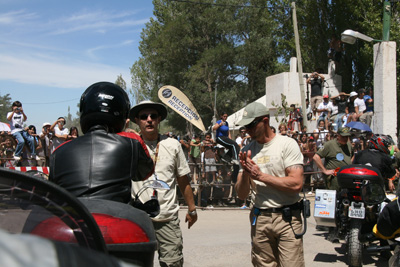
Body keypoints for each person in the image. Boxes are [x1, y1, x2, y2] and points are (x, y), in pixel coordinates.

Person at [49, 82, 154, 203]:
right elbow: (145, 172)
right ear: (122, 113)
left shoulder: (58, 152)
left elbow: (53, 194)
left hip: (73, 219)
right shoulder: (131, 142)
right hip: (118, 217)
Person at [235, 102, 305, 267]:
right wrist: (246, 172)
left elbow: (296, 184)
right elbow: (241, 194)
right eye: (245, 127)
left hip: (287, 219)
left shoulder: (286, 144)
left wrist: (260, 176)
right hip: (260, 219)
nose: (248, 130)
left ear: (265, 121)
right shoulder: (248, 150)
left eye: (251, 125)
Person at [130, 100, 197, 267]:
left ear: (159, 119)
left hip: (167, 218)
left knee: (172, 263)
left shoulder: (173, 144)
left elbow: (183, 180)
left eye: (153, 116)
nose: (149, 119)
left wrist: (192, 209)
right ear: (137, 121)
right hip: (138, 219)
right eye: (144, 116)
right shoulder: (130, 145)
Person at [313, 127, 354, 191]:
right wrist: (325, 171)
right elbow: (316, 157)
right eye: (343, 137)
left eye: (347, 137)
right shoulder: (329, 145)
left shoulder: (349, 145)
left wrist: (350, 163)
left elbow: (353, 155)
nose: (345, 139)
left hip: (347, 177)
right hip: (334, 178)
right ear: (338, 136)